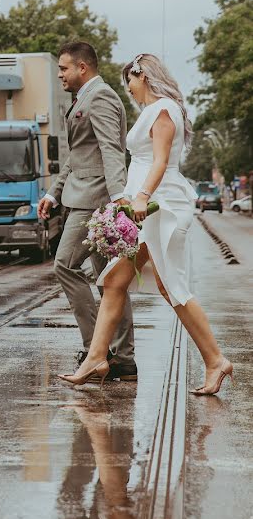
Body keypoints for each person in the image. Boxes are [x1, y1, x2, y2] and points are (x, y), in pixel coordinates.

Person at [59, 53, 233, 395]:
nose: (129, 91)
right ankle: (96, 358)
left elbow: (160, 161)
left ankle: (216, 361)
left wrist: (141, 196)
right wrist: (127, 196)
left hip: (160, 206)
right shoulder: (154, 111)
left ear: (144, 77)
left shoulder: (164, 109)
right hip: (145, 205)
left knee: (172, 287)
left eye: (131, 83)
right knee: (113, 282)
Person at [39, 42, 137, 382]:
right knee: (111, 282)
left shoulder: (102, 97)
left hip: (95, 203)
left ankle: (98, 349)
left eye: (64, 68)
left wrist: (119, 198)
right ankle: (123, 358)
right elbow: (78, 154)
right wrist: (53, 192)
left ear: (83, 68)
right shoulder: (84, 99)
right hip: (83, 196)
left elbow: (112, 151)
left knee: (64, 265)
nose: (60, 75)